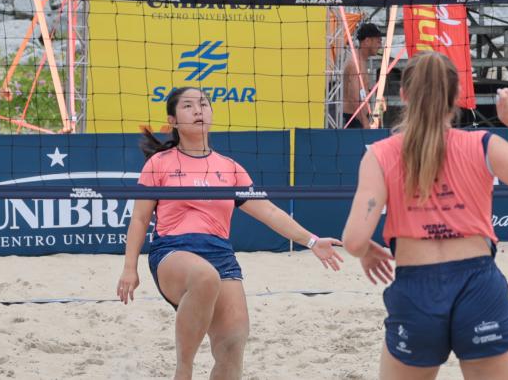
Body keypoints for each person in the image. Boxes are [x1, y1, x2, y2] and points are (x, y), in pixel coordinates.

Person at [342, 51, 508, 380]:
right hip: (477, 287)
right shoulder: (482, 144)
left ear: (404, 95)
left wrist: (366, 251)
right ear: (456, 97)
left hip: (415, 289)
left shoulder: (379, 155)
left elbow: (352, 240)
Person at [117, 87, 344, 380]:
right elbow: (139, 219)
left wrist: (312, 241)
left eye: (203, 104)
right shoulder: (158, 164)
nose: (198, 110)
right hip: (173, 251)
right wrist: (128, 268)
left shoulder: (230, 168)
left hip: (220, 254)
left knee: (233, 344)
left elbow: (271, 212)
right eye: (188, 106)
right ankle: (183, 371)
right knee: (204, 276)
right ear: (173, 120)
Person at [342, 22, 384, 128]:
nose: (380, 46)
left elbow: (361, 92)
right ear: (367, 41)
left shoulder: (361, 61)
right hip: (353, 119)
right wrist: (365, 122)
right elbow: (354, 96)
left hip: (358, 117)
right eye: (378, 42)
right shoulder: (355, 63)